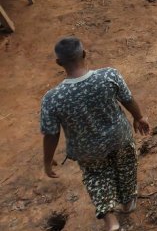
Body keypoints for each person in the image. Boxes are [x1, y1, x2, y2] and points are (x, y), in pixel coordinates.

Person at [40, 37, 150, 231]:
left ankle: (111, 221)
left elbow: (51, 134)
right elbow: (127, 99)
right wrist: (139, 117)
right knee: (126, 166)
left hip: (87, 150)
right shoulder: (109, 75)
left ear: (59, 63)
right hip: (120, 137)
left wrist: (47, 161)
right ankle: (127, 203)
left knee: (96, 177)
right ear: (84, 54)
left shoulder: (52, 98)